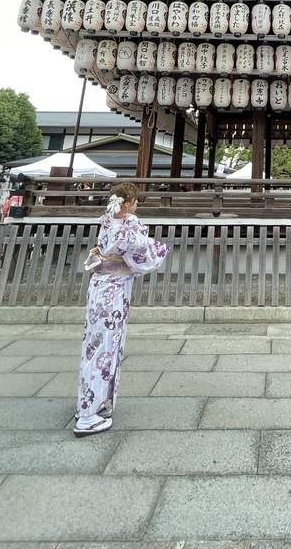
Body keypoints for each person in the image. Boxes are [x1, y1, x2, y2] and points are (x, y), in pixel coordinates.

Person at [74, 182, 170, 438]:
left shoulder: (106, 219)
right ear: (127, 203)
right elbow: (143, 254)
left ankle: (89, 403)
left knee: (93, 346)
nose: (137, 205)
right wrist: (160, 249)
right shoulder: (129, 224)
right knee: (106, 348)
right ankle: (87, 418)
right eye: (136, 201)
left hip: (98, 286)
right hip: (114, 290)